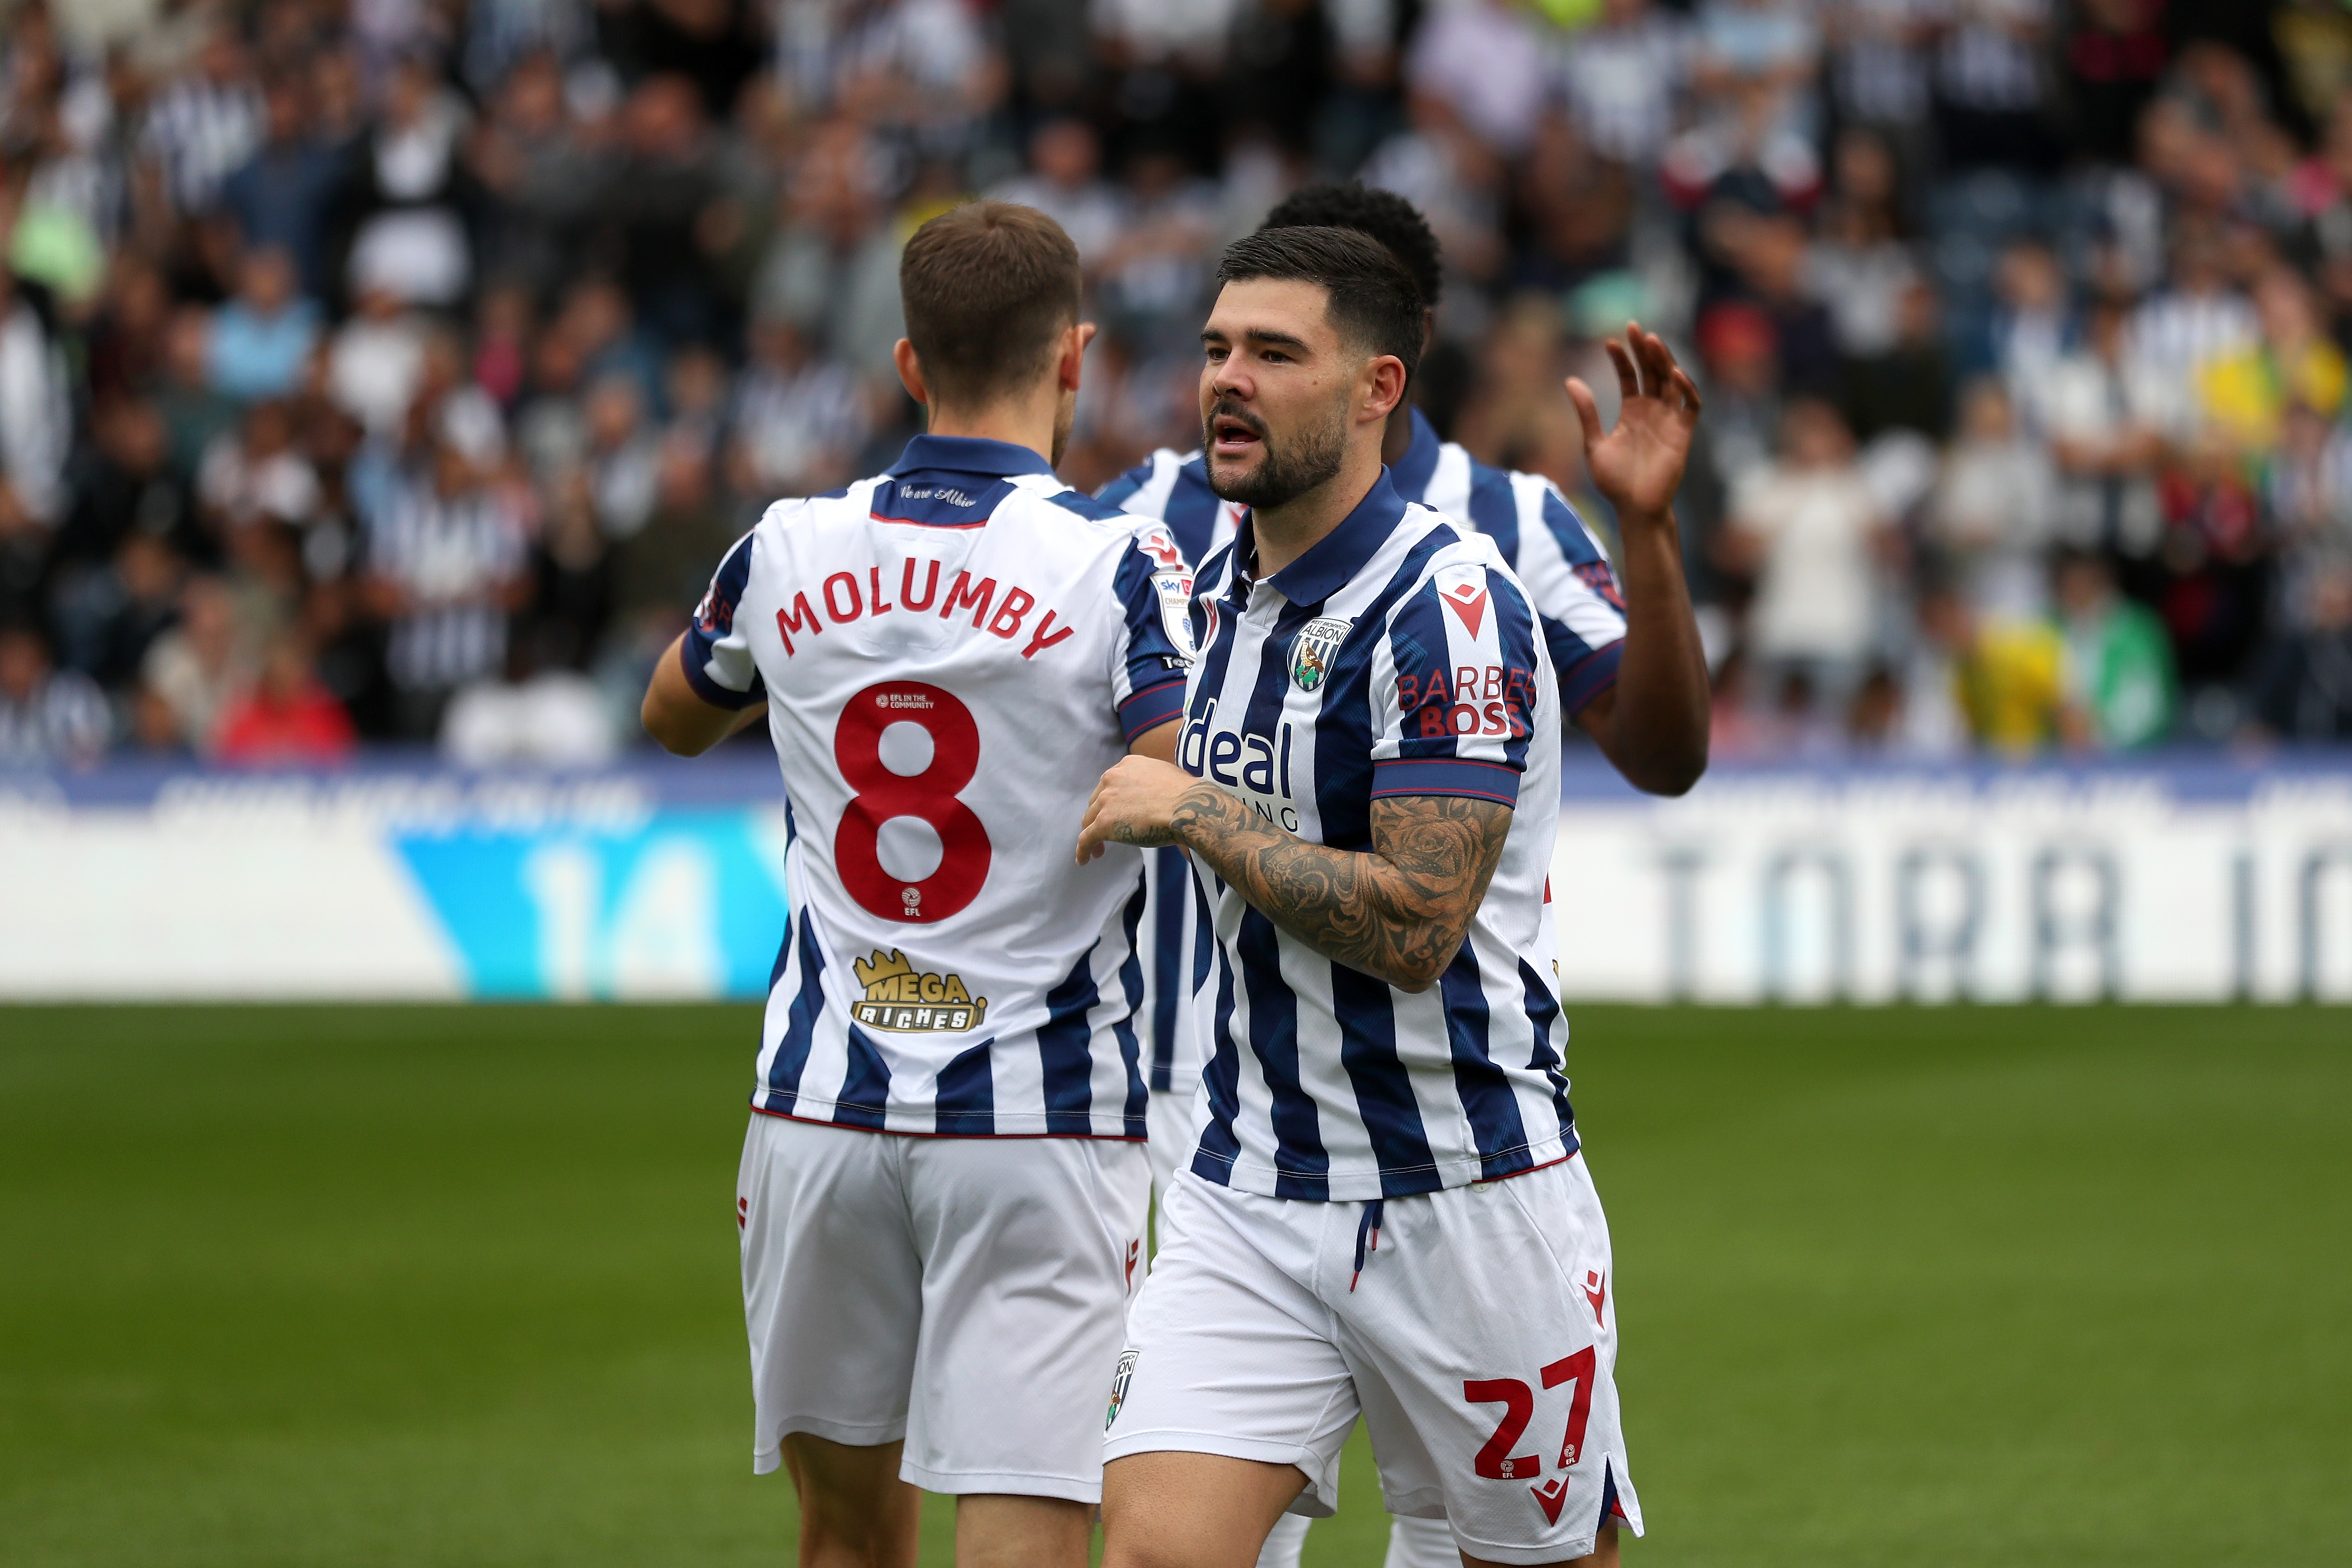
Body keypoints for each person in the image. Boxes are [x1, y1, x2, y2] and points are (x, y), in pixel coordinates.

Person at [1079, 224, 1704, 1568]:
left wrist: (1192, 807)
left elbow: (1421, 924)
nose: (1227, 382)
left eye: (1275, 354)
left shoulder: (1450, 603)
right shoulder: (1219, 588)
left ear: (1377, 389)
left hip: (1463, 1192)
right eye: (1216, 350)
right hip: (1248, 1180)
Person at [636, 201, 1192, 1568]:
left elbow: (673, 713)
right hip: (1040, 1114)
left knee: (844, 1539)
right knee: (1027, 1526)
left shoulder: (782, 548)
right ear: (1077, 359)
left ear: (904, 363)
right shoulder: (1120, 563)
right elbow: (1187, 787)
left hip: (820, 1106)